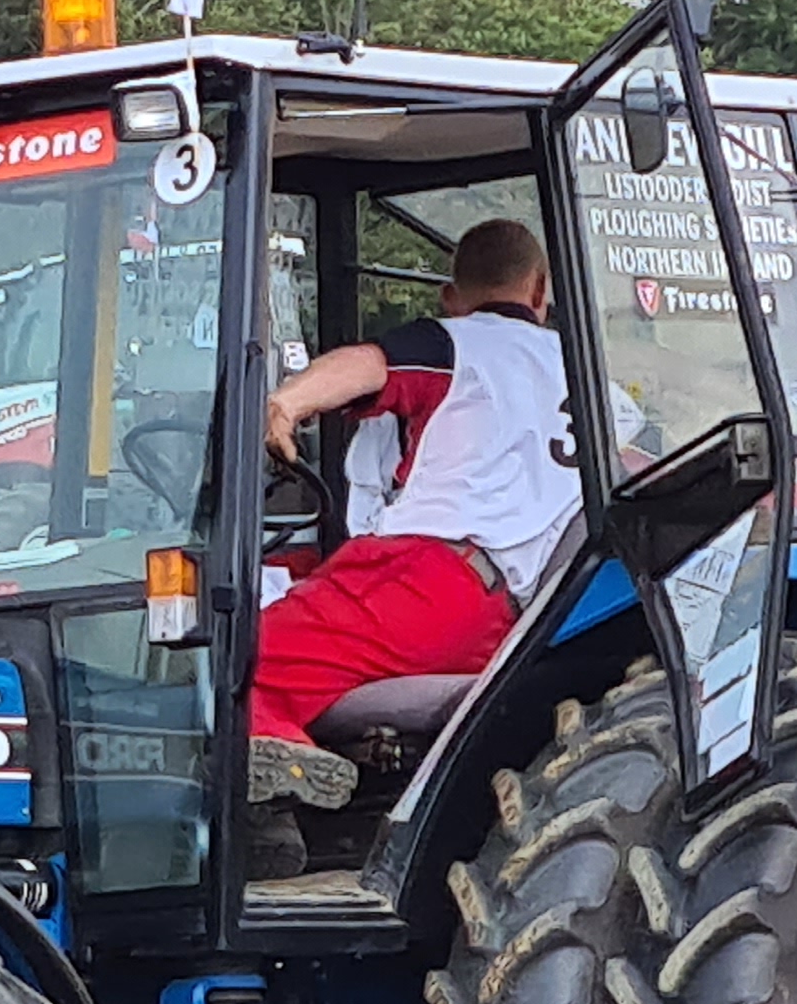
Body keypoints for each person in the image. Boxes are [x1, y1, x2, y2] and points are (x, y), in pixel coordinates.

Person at [246, 218, 579, 814]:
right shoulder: (590, 377)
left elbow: (368, 363)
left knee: (229, 659)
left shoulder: (458, 344)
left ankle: (279, 799)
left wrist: (286, 403)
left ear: (450, 300)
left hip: (427, 583)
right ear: (539, 290)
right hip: (504, 617)